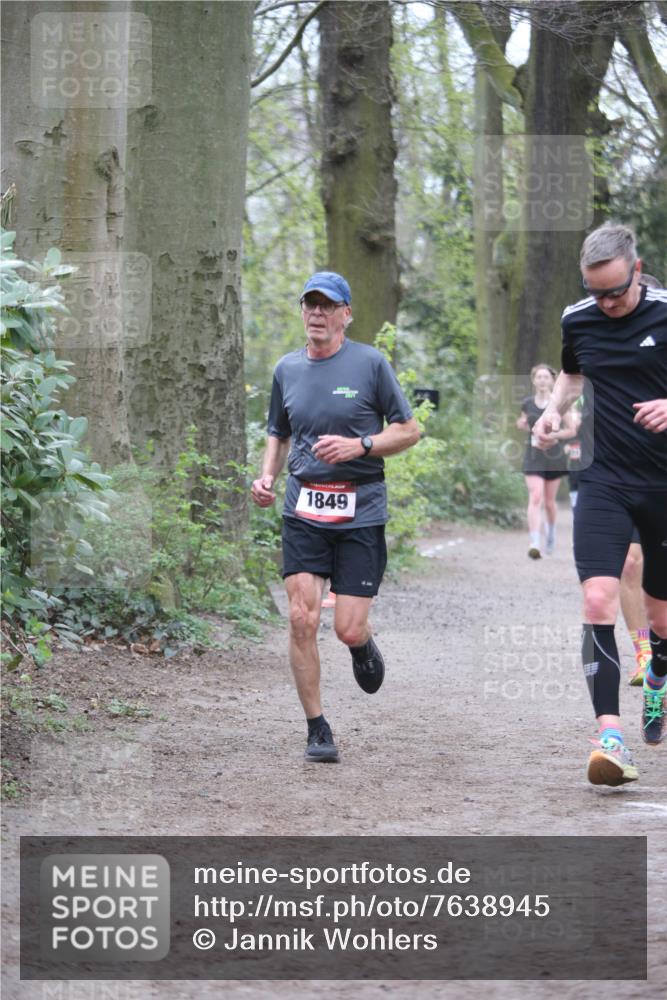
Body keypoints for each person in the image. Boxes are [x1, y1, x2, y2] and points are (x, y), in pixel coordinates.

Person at [251, 271, 419, 763]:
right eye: (310, 305)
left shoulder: (370, 364)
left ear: (346, 313)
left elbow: (408, 431)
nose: (317, 314)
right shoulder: (286, 369)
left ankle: (361, 645)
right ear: (302, 311)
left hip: (360, 510)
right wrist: (266, 477)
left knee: (346, 627)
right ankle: (316, 727)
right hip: (303, 509)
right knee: (301, 618)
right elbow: (277, 433)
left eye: (327, 306)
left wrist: (361, 445)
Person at [533, 224, 667, 787]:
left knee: (660, 614)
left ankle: (657, 676)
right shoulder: (577, 317)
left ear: (636, 269)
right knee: (597, 597)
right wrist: (553, 410)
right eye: (598, 293)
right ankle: (609, 737)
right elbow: (572, 371)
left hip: (663, 484)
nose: (607, 304)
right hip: (604, 477)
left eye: (616, 291)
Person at [516, 364, 573, 558]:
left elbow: (572, 429)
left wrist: (555, 436)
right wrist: (522, 424)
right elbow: (523, 422)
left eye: (546, 377)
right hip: (533, 456)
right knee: (536, 497)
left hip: (554, 456)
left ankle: (550, 534)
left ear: (552, 380)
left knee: (549, 503)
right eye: (538, 377)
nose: (542, 380)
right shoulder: (527, 403)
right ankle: (534, 542)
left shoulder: (559, 404)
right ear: (533, 380)